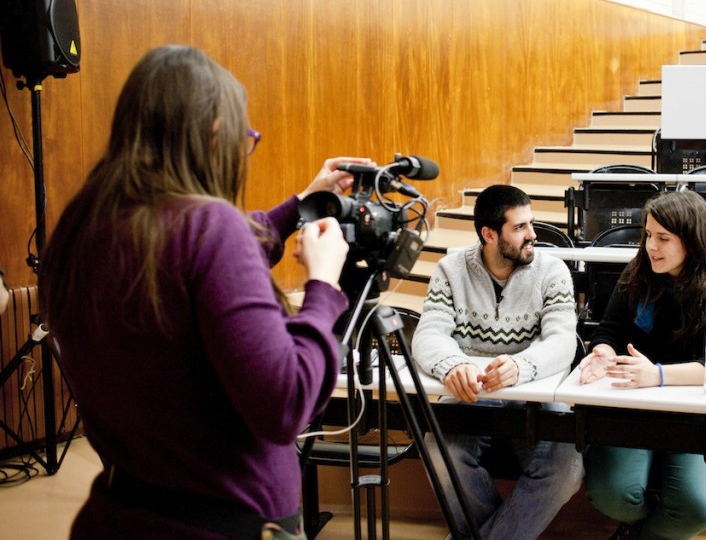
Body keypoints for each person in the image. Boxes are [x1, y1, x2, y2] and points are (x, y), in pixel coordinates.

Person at [39, 45, 368, 539]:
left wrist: (303, 200)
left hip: (121, 512)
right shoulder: (210, 227)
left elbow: (201, 254)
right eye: (246, 140)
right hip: (222, 523)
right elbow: (286, 401)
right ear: (216, 132)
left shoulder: (83, 225)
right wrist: (323, 285)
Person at [578, 190, 706, 540]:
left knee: (697, 506)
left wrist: (657, 375)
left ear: (692, 240)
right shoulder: (638, 272)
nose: (650, 247)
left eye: (663, 238)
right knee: (611, 494)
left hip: (697, 414)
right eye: (647, 236)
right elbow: (609, 330)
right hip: (632, 408)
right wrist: (603, 353)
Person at [411, 184, 583, 539]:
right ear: (489, 234)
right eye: (519, 228)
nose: (532, 235)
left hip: (536, 392)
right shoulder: (450, 269)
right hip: (472, 390)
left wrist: (521, 366)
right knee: (440, 454)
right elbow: (428, 335)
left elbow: (563, 341)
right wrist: (453, 364)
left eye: (530, 224)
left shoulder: (553, 271)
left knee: (566, 470)